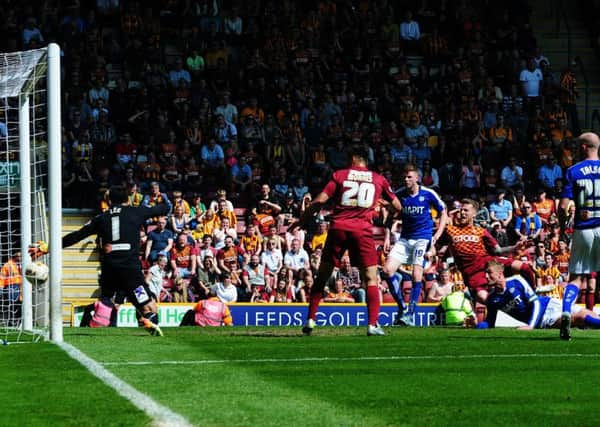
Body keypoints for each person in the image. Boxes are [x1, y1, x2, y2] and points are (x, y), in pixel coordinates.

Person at [292, 146, 402, 336]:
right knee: (370, 279)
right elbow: (398, 206)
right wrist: (384, 206)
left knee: (323, 275)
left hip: (338, 229)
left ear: (353, 159)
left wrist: (303, 219)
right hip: (363, 231)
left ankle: (310, 319)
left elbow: (319, 201)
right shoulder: (379, 179)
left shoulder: (340, 175)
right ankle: (372, 324)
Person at [62, 185, 169, 336]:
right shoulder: (137, 211)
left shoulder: (100, 218)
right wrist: (162, 198)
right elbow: (164, 208)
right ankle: (146, 318)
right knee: (151, 308)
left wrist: (50, 247)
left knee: (108, 300)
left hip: (109, 270)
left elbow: (77, 235)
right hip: (130, 270)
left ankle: (96, 314)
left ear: (109, 201)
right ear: (127, 199)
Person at [383, 163, 448, 326]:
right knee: (387, 270)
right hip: (405, 238)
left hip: (422, 237)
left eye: (409, 177)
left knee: (416, 273)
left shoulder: (428, 193)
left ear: (417, 178)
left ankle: (411, 314)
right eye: (404, 177)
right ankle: (402, 307)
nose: (406, 180)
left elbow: (443, 211)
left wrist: (437, 236)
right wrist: (386, 237)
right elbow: (390, 215)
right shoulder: (400, 195)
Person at [439, 198, 534, 304]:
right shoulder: (451, 230)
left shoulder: (481, 231)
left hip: (489, 263)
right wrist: (450, 214)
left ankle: (533, 296)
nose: (461, 213)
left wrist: (515, 248)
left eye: (465, 210)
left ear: (474, 214)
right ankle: (506, 308)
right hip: (472, 272)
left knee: (524, 267)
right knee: (484, 298)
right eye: (460, 210)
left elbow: (498, 251)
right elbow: (442, 222)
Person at [558, 132, 600, 340]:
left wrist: (562, 226)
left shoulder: (573, 171)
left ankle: (567, 310)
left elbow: (563, 207)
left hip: (584, 229)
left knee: (576, 277)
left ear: (584, 147)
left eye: (577, 145)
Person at [484, 259, 600, 332]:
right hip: (544, 319)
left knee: (590, 314)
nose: (486, 276)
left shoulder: (517, 281)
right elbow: (489, 322)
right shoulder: (492, 299)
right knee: (580, 318)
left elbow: (535, 303)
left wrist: (531, 325)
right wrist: (477, 325)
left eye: (489, 272)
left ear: (499, 274)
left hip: (548, 303)